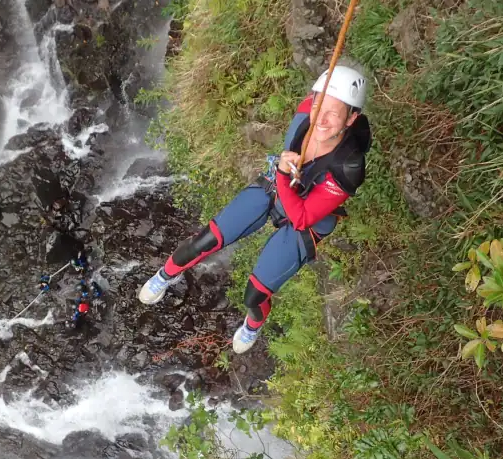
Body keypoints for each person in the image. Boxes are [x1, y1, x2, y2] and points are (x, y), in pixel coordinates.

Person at [138, 66, 371, 354]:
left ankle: (252, 326)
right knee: (205, 240)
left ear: (351, 118)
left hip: (306, 222)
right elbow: (310, 118)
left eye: (334, 113)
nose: (321, 118)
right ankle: (164, 275)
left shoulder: (348, 166)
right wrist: (282, 178)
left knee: (254, 296)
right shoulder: (304, 114)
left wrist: (284, 175)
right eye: (318, 104)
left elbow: (300, 218)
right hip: (275, 190)